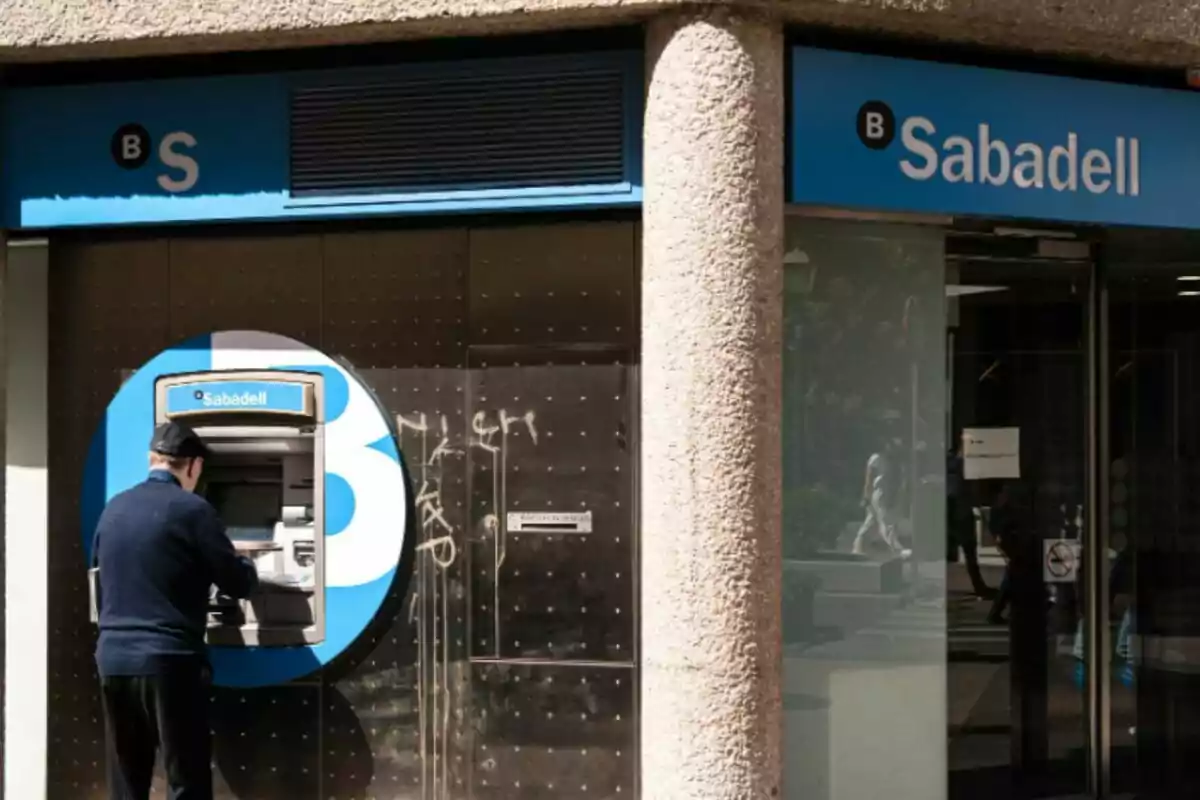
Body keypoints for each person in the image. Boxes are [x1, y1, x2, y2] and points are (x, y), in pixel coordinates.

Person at [92, 421, 259, 800]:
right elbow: (237, 583)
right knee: (185, 778)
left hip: (114, 659)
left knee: (127, 778)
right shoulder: (193, 510)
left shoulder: (114, 509)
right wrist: (248, 565)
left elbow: (100, 581)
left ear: (153, 460)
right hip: (169, 661)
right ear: (193, 466)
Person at [947, 445, 993, 599]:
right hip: (963, 516)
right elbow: (971, 492)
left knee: (953, 553)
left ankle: (978, 587)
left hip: (953, 516)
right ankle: (979, 587)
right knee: (970, 554)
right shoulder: (964, 468)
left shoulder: (950, 467)